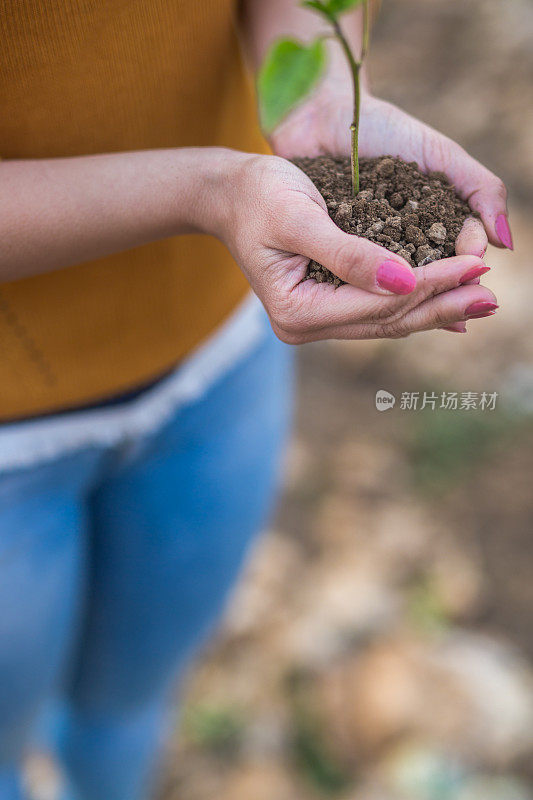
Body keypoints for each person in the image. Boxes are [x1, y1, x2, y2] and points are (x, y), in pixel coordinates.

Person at [0, 1, 512, 798]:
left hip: (215, 360)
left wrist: (327, 100)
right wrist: (207, 189)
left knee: (130, 706)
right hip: (11, 445)